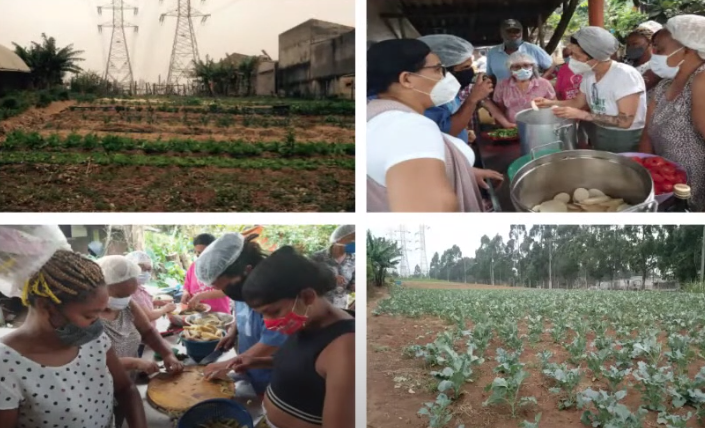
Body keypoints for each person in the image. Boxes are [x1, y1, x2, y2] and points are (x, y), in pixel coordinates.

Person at [0, 250, 148, 428]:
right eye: (89, 316)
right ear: (47, 307)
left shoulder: (93, 341)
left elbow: (125, 389)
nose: (97, 324)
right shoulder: (6, 365)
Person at [367, 39, 502, 212]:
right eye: (438, 69)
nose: (446, 77)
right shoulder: (408, 128)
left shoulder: (382, 115)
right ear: (407, 79)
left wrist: (464, 173)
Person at [232, 246, 355, 428]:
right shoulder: (307, 320)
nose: (267, 322)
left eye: (273, 312)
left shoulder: (346, 348)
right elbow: (306, 367)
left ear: (307, 296)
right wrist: (260, 362)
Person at [195, 233, 288, 395]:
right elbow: (242, 311)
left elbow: (273, 340)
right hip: (248, 366)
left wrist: (229, 363)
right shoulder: (242, 285)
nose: (225, 291)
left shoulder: (275, 292)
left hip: (273, 374)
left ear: (247, 270)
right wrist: (233, 330)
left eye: (227, 285)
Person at [97, 255, 184, 427]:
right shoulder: (87, 317)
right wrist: (135, 362)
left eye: (129, 295)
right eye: (120, 295)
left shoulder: (127, 305)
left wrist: (167, 353)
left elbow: (148, 331)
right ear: (100, 288)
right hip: (100, 390)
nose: (126, 299)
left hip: (125, 385)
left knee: (121, 416)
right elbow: (93, 360)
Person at [534, 26, 647, 153]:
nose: (572, 60)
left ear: (596, 57)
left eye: (577, 56)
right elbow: (577, 102)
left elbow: (625, 121)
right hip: (600, 132)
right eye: (572, 55)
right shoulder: (589, 74)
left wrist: (582, 115)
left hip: (625, 138)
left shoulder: (625, 76)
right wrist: (549, 103)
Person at [638, 15, 705, 211]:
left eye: (660, 49)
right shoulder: (664, 85)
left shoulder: (701, 81)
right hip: (666, 181)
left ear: (688, 49)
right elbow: (646, 133)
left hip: (695, 186)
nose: (655, 55)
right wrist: (644, 173)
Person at [417, 34, 514, 144]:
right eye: (465, 67)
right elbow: (447, 131)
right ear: (443, 69)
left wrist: (464, 132)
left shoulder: (451, 91)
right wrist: (473, 98)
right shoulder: (431, 96)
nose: (470, 72)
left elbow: (457, 117)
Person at [493, 51, 556, 124]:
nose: (522, 69)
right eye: (516, 67)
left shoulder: (544, 84)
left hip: (539, 126)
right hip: (513, 127)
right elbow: (499, 109)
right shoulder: (503, 86)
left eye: (526, 66)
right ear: (510, 69)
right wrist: (505, 125)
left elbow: (554, 104)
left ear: (533, 67)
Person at [486, 19, 554, 81]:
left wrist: (539, 81)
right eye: (509, 31)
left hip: (531, 93)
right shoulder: (492, 53)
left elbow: (551, 66)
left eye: (516, 31)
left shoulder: (532, 49)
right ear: (501, 33)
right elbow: (490, 76)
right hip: (503, 93)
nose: (513, 34)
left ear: (521, 33)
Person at [182, 233, 232, 313]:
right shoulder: (193, 267)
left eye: (204, 253)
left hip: (220, 315)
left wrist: (200, 296)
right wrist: (185, 293)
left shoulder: (223, 267)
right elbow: (186, 287)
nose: (201, 257)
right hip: (198, 315)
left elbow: (227, 291)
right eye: (198, 253)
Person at [125, 251, 175, 326]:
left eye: (148, 270)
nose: (146, 273)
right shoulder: (132, 290)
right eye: (142, 269)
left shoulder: (138, 287)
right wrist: (165, 309)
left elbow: (141, 305)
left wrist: (153, 302)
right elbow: (148, 316)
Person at [311, 225, 355, 309]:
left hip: (341, 309)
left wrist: (354, 286)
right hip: (318, 308)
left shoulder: (354, 260)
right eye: (352, 238)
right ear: (338, 239)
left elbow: (353, 282)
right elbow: (306, 281)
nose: (355, 242)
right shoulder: (317, 258)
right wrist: (329, 278)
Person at [624, 26, 662, 95]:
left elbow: (636, 89)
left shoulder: (656, 65)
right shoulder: (627, 64)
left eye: (635, 44)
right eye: (628, 45)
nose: (630, 47)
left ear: (650, 43)